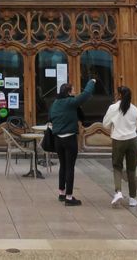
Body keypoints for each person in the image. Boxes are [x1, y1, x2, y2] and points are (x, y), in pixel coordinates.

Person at [48, 78, 96, 206]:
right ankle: (69, 197)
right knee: (70, 167)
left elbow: (51, 118)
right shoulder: (70, 102)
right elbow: (86, 95)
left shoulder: (55, 103)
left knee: (62, 166)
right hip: (69, 139)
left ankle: (61, 193)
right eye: (73, 90)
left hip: (58, 139)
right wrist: (91, 81)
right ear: (69, 92)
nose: (75, 92)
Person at [103, 85, 137, 208]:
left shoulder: (113, 108)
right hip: (132, 139)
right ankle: (133, 198)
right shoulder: (134, 108)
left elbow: (105, 124)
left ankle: (118, 191)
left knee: (117, 166)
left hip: (118, 139)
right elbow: (136, 123)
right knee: (131, 169)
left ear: (119, 95)